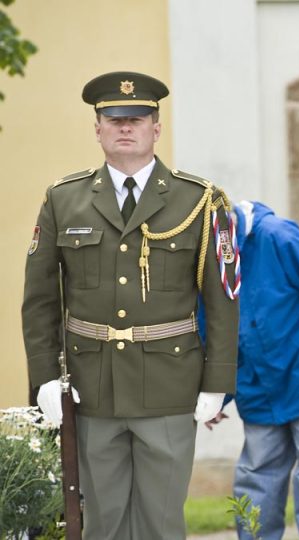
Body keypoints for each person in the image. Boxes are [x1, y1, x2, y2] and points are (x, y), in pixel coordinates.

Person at [21, 71, 239, 538]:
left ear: (156, 128)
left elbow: (222, 301)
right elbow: (40, 299)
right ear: (97, 127)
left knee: (161, 524)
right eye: (113, 118)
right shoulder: (65, 199)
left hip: (169, 387)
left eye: (137, 118)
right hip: (91, 389)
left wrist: (217, 383)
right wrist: (43, 380)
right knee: (104, 524)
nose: (125, 127)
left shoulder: (199, 200)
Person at [202, 200, 299, 540]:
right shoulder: (201, 260)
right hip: (256, 390)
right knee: (256, 479)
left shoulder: (277, 237)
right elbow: (207, 329)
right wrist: (214, 394)